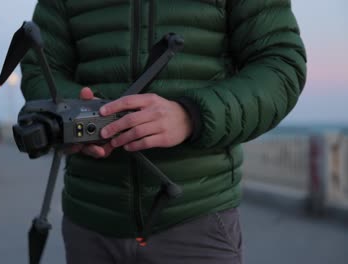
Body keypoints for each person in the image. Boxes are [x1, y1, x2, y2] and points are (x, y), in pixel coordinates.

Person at [20, 1, 307, 263]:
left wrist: (191, 115)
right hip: (89, 222)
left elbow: (281, 64)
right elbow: (41, 68)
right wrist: (70, 118)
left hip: (196, 219)